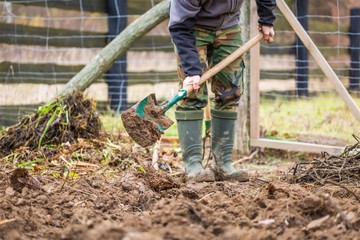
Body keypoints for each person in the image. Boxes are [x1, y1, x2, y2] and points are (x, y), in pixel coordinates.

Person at [168, 0, 276, 181]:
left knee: (230, 91)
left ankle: (222, 164)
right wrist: (192, 70)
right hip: (191, 27)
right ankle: (193, 165)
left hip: (229, 25)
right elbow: (179, 26)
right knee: (191, 94)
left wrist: (266, 19)